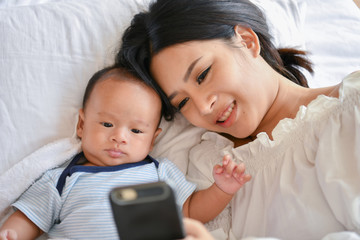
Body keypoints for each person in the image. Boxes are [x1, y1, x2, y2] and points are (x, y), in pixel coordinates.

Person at [115, 0, 360, 239]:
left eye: (202, 75)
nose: (203, 107)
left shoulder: (350, 106)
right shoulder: (208, 169)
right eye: (183, 103)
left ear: (246, 40)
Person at [0, 66, 251, 240]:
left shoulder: (158, 172)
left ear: (153, 140)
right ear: (82, 125)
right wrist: (11, 234)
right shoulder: (62, 179)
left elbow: (190, 211)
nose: (119, 137)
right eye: (107, 124)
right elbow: (30, 219)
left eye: (136, 130)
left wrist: (222, 190)